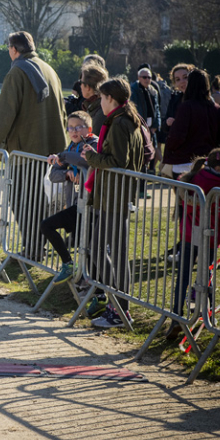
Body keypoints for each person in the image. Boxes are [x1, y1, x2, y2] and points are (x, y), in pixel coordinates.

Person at [0, 31, 66, 261]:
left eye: (9, 48)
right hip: (51, 149)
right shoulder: (49, 69)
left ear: (14, 49)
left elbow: (4, 115)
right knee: (39, 202)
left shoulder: (17, 71)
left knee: (24, 203)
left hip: (25, 151)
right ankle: (38, 247)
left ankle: (33, 250)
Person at [81, 77, 144, 328]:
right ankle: (118, 305)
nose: (101, 102)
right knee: (113, 253)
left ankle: (119, 307)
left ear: (111, 99)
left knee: (102, 250)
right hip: (114, 195)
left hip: (115, 197)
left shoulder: (120, 123)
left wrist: (91, 156)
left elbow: (117, 161)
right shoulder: (123, 120)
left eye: (102, 98)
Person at [166, 148, 220, 340]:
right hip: (209, 237)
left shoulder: (194, 178)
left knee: (184, 275)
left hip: (188, 234)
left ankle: (176, 316)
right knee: (207, 276)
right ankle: (207, 318)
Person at [39, 110, 98, 284]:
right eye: (70, 127)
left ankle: (95, 288)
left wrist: (68, 161)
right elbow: (53, 175)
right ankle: (69, 265)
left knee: (90, 249)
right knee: (47, 226)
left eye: (78, 127)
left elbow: (86, 160)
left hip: (90, 205)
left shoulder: (92, 144)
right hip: (74, 203)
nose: (73, 131)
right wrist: (66, 174)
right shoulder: (71, 147)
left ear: (88, 129)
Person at [163, 69, 220, 179]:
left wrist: (170, 152)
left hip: (185, 162)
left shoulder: (186, 107)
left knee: (184, 195)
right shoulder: (216, 109)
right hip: (208, 163)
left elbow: (177, 136)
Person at [80, 64, 109, 135]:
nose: (80, 86)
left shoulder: (101, 112)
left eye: (81, 82)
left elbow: (93, 141)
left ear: (88, 87)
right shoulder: (95, 106)